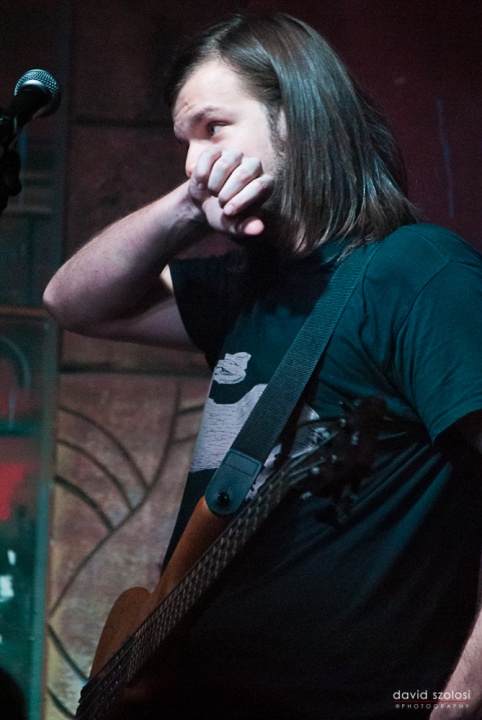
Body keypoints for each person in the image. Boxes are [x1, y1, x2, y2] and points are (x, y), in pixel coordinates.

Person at [43, 13, 482, 720]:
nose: (194, 162)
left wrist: (462, 697)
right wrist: (189, 208)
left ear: (298, 118)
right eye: (184, 143)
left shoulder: (418, 273)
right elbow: (72, 301)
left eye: (214, 128)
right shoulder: (252, 287)